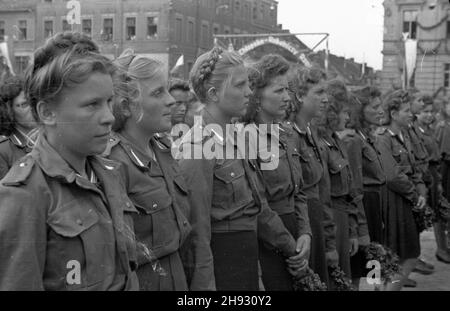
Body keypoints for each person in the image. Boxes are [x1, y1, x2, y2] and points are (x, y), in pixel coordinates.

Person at [0, 32, 139, 290]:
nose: (109, 116)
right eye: (92, 105)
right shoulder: (25, 194)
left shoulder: (110, 173)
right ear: (48, 112)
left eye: (109, 101)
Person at [176, 46, 305, 291]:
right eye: (239, 85)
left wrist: (292, 247)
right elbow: (197, 232)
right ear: (213, 93)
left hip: (246, 258)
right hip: (222, 263)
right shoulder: (197, 147)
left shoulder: (237, 138)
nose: (249, 92)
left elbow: (258, 207)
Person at [103, 50, 192, 291]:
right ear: (126, 106)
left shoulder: (162, 148)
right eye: (157, 92)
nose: (171, 100)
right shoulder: (113, 163)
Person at [242, 54, 312, 291]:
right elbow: (257, 204)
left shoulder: (286, 135)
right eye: (278, 91)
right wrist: (290, 245)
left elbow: (299, 192)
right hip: (268, 241)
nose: (287, 97)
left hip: (295, 235)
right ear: (257, 97)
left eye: (288, 90)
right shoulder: (246, 138)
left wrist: (305, 234)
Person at [286, 65, 335, 287]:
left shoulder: (310, 132)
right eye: (319, 93)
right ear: (299, 95)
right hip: (300, 225)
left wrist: (329, 240)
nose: (326, 100)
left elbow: (323, 191)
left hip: (314, 221)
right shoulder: (288, 136)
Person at [375, 89, 426, 288]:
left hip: (405, 201)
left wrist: (420, 190)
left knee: (404, 255)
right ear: (394, 114)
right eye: (405, 110)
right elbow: (392, 175)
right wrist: (415, 195)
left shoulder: (403, 136)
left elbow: (414, 168)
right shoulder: (383, 138)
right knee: (401, 256)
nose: (410, 114)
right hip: (393, 203)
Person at [316, 79, 360, 280]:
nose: (348, 117)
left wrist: (352, 231)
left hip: (341, 222)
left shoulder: (338, 142)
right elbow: (323, 197)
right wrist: (330, 243)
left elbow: (350, 193)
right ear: (332, 113)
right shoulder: (319, 144)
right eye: (344, 112)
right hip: (330, 222)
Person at [344, 88, 387, 286]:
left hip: (375, 207)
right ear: (360, 110)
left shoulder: (367, 138)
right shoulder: (353, 141)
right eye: (375, 107)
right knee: (362, 269)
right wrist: (360, 228)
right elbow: (355, 189)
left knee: (373, 267)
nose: (381, 111)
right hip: (364, 210)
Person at [0, 76, 37, 179]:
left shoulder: (51, 137)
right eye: (24, 104)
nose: (32, 108)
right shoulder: (3, 150)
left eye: (32, 101)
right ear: (9, 111)